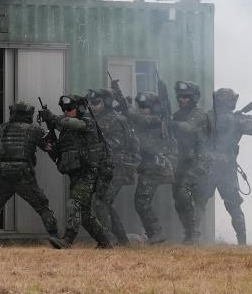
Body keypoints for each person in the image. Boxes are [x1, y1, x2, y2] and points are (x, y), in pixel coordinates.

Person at [0, 101, 65, 249]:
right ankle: (55, 236)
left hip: (2, 172)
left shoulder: (2, 128)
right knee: (42, 205)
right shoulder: (34, 130)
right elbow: (48, 146)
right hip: (22, 173)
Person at [39, 94, 113, 248]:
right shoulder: (66, 131)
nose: (66, 111)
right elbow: (59, 151)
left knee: (74, 203)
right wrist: (49, 144)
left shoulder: (87, 122)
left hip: (90, 173)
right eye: (63, 108)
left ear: (79, 108)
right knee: (84, 214)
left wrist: (52, 117)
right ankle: (105, 243)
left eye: (69, 108)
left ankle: (67, 240)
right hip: (76, 175)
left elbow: (69, 123)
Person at [200, 88, 252, 245]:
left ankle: (193, 237)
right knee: (233, 206)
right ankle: (242, 242)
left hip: (210, 169)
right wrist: (239, 118)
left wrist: (238, 118)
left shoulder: (209, 118)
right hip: (224, 170)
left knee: (200, 202)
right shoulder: (235, 120)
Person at [87, 88, 140, 246]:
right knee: (104, 202)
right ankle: (123, 241)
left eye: (96, 103)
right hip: (106, 167)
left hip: (117, 166)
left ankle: (106, 240)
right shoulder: (97, 119)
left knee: (99, 201)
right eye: (90, 103)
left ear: (107, 102)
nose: (92, 106)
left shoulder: (116, 119)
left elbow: (116, 145)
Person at [124, 90, 175, 243]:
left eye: (145, 106)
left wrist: (124, 102)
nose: (141, 109)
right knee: (141, 202)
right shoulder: (146, 120)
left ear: (154, 108)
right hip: (148, 166)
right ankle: (153, 233)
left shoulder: (157, 120)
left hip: (155, 166)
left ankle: (156, 232)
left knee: (141, 202)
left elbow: (136, 118)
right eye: (140, 106)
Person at [171, 80, 210, 244]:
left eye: (186, 97)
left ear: (194, 97)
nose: (182, 100)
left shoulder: (199, 114)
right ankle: (189, 234)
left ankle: (194, 233)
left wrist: (170, 123)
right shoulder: (177, 115)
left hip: (199, 162)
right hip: (182, 161)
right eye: (180, 97)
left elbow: (189, 127)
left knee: (188, 196)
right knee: (179, 201)